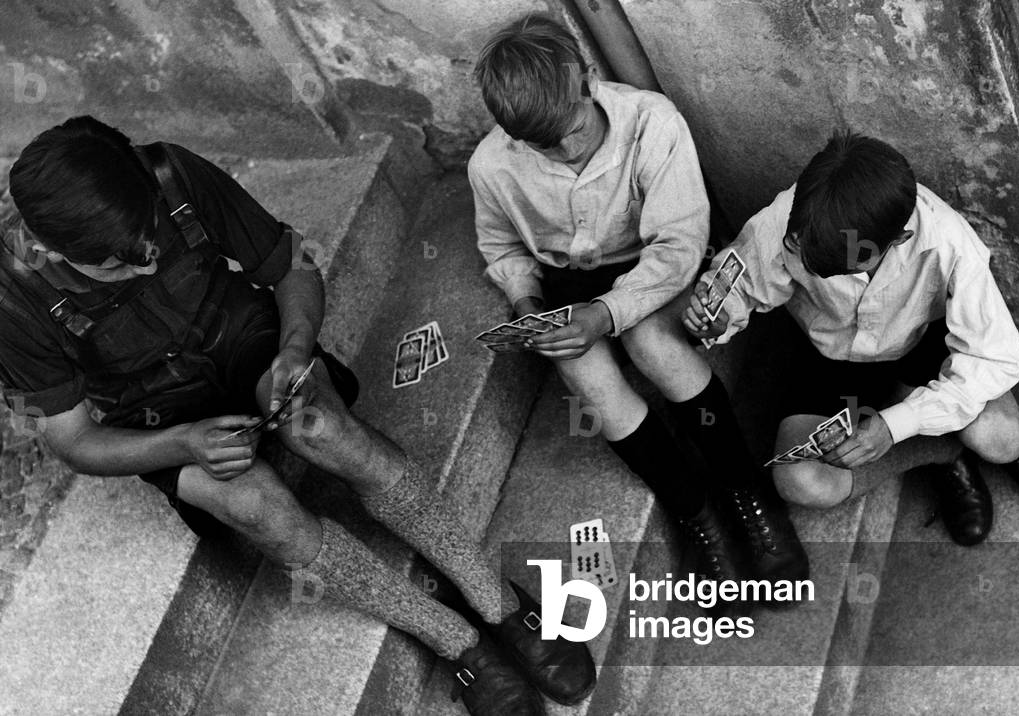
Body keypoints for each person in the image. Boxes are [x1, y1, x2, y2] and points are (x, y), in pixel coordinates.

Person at [0, 116, 595, 715]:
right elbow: (74, 440)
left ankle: (497, 599)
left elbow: (292, 264)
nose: (149, 268)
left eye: (153, 242)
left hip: (244, 339)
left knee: (326, 429)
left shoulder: (169, 172)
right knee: (253, 506)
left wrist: (295, 348)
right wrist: (183, 443)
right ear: (44, 250)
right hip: (153, 411)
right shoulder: (12, 297)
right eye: (119, 266)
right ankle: (457, 643)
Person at [469, 14, 808, 592]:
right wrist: (527, 299)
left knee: (652, 341)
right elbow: (501, 247)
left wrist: (609, 313)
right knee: (580, 369)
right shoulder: (491, 165)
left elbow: (679, 246)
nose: (565, 151)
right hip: (569, 281)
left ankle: (743, 490)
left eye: (572, 131)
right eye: (542, 146)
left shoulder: (652, 123)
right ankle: (693, 509)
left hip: (656, 267)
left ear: (588, 80)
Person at [683, 130, 1019, 546]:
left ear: (898, 240)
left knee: (1004, 440)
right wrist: (720, 321)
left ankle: (933, 435)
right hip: (829, 357)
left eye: (843, 267)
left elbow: (996, 359)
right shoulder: (791, 217)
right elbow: (740, 283)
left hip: (921, 347)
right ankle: (939, 450)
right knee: (800, 481)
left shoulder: (950, 243)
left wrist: (899, 423)